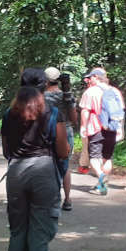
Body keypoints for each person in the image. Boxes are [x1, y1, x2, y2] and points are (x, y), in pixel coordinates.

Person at [1, 69, 70, 251]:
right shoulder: (52, 113)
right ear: (44, 87)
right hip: (43, 170)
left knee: (18, 228)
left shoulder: (10, 114)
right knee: (40, 230)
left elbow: (6, 151)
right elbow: (62, 152)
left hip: (16, 171)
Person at [78, 67, 124, 195]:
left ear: (96, 77)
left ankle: (101, 177)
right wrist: (119, 128)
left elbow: (85, 110)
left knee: (94, 157)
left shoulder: (90, 91)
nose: (89, 79)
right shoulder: (115, 91)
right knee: (107, 157)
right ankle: (101, 183)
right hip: (111, 128)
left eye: (91, 77)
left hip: (95, 128)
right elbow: (120, 112)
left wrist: (83, 126)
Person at [44, 67, 77, 211]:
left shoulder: (41, 97)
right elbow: (74, 119)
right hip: (66, 131)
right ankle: (68, 199)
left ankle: (51, 199)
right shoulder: (67, 96)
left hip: (47, 132)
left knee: (49, 166)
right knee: (65, 166)